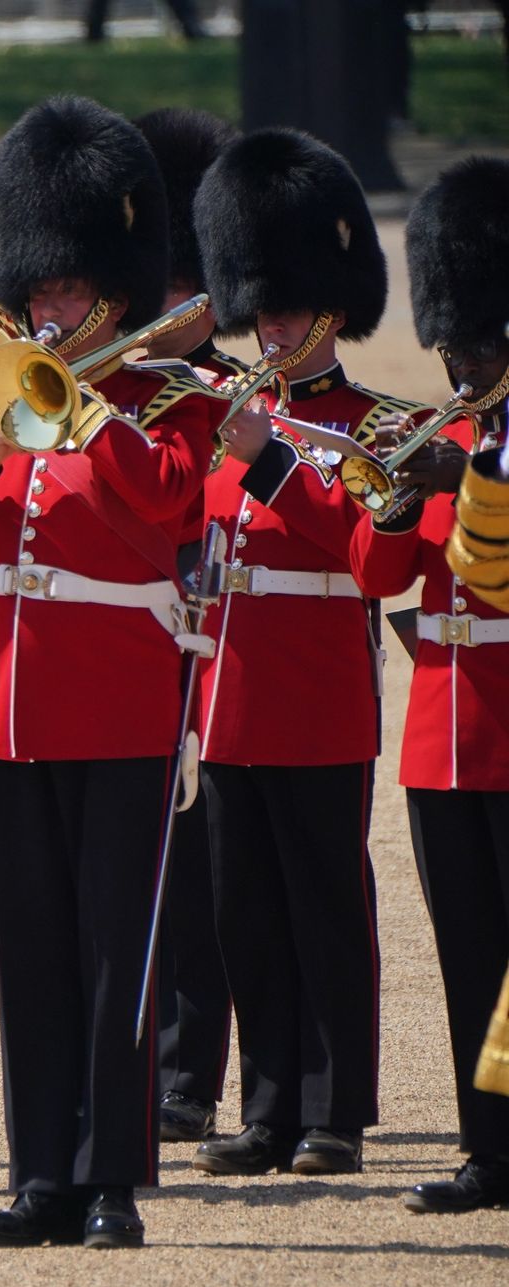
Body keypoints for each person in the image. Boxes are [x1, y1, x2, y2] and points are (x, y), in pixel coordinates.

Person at [0, 95, 215, 1249]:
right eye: (36, 294)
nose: (46, 309)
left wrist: (84, 416)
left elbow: (169, 507)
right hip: (7, 713)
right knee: (29, 951)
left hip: (118, 707)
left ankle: (111, 1178)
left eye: (66, 294)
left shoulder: (175, 402)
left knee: (110, 955)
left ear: (110, 297)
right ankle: (39, 1176)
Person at [189, 127, 412, 1179]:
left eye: (284, 309)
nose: (267, 326)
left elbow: (371, 556)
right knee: (245, 911)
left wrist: (272, 461)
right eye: (259, 308)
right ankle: (267, 1105)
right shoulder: (238, 416)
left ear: (329, 311)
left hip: (317, 697)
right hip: (229, 697)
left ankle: (334, 1112)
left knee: (325, 906)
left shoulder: (374, 428)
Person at [349, 156, 509, 1213]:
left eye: (473, 341)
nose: (454, 359)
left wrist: (476, 480)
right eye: (447, 342)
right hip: (441, 736)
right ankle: (486, 1149)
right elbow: (373, 576)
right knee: (466, 954)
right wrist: (401, 502)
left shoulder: (487, 452)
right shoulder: (445, 434)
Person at [130, 106, 243, 1146]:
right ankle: (151, 1058)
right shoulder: (119, 386)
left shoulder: (226, 395)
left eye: (179, 285)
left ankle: (190, 1073)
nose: (164, 307)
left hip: (220, 644)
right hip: (128, 633)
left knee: (208, 866)